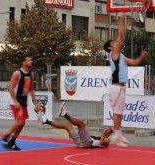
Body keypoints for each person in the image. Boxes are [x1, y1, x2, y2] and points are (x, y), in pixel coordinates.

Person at [103, 12, 147, 147]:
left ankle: (119, 134)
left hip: (120, 86)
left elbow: (134, 63)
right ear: (110, 47)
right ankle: (116, 135)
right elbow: (120, 36)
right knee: (117, 112)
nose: (116, 43)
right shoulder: (113, 53)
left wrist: (142, 57)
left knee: (119, 113)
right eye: (113, 43)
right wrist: (122, 20)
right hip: (116, 86)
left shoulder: (120, 56)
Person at [1, 56, 40, 151]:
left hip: (23, 101)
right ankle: (5, 137)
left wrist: (36, 103)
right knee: (21, 121)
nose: (31, 61)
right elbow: (10, 87)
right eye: (29, 60)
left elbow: (31, 90)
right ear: (23, 62)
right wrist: (15, 101)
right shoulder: (17, 73)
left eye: (31, 59)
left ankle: (12, 141)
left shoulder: (31, 74)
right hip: (16, 102)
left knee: (22, 124)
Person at [43, 102, 112, 148]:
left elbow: (102, 142)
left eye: (107, 129)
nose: (106, 129)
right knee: (66, 126)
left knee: (81, 124)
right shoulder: (100, 136)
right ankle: (46, 121)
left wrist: (103, 133)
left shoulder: (107, 139)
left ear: (109, 133)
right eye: (106, 128)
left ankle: (64, 114)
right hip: (81, 142)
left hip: (87, 144)